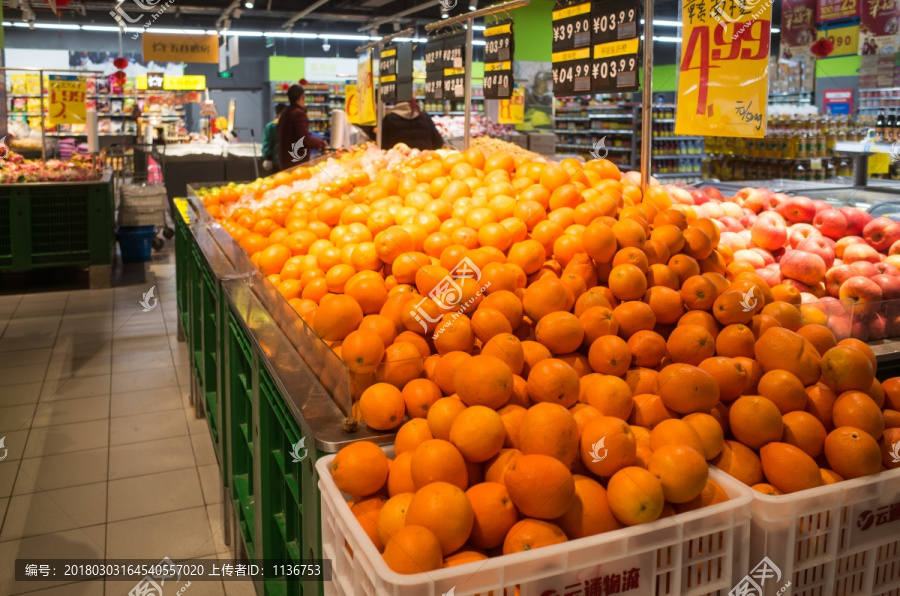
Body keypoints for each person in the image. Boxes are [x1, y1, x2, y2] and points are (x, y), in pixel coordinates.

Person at [278, 84, 327, 169]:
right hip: (296, 162)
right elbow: (305, 139)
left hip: (285, 160)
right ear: (302, 97)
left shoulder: (285, 113)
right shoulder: (298, 113)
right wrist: (322, 143)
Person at [261, 103, 285, 172]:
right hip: (275, 161)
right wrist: (267, 158)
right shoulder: (271, 126)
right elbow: (267, 142)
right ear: (278, 114)